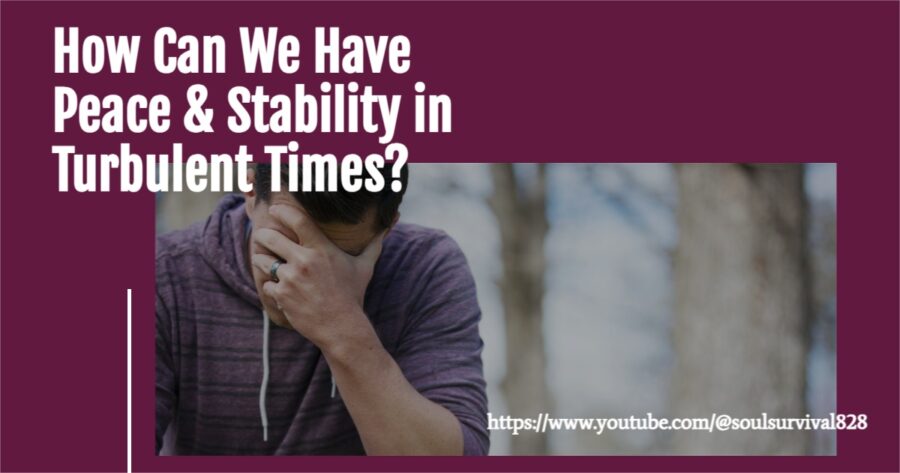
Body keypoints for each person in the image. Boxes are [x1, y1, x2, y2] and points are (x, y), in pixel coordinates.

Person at [155, 164, 489, 455]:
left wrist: (342, 326)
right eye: (284, 248)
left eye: (340, 258)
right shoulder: (164, 275)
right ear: (252, 191)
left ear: (386, 230)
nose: (302, 278)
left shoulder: (423, 268)